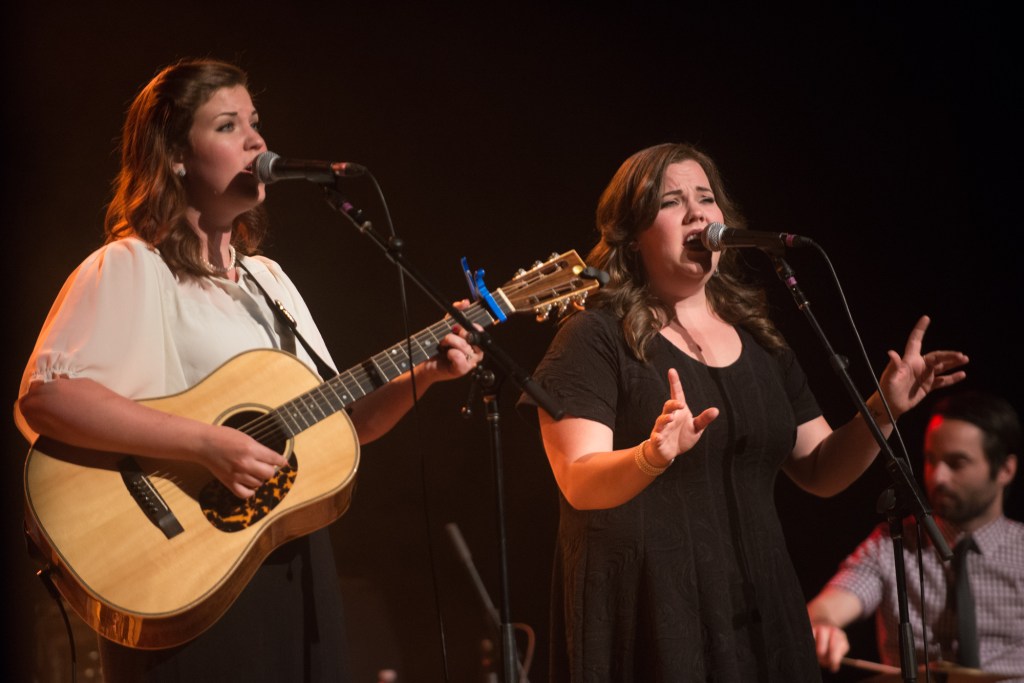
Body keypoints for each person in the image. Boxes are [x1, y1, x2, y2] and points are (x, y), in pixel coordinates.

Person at [14, 58, 481, 682]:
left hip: (285, 558)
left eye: (255, 124)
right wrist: (207, 442)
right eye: (229, 125)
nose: (258, 142)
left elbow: (340, 427)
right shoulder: (130, 266)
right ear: (176, 154)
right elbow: (46, 399)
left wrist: (423, 374)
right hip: (180, 567)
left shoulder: (270, 282)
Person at [516, 142, 969, 682]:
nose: (697, 213)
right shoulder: (593, 336)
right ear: (631, 235)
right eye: (671, 201)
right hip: (650, 615)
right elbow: (578, 479)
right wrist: (649, 456)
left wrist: (884, 407)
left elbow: (821, 469)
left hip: (757, 609)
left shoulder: (761, 343)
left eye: (706, 198)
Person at [807, 390, 1024, 680]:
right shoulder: (892, 541)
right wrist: (823, 626)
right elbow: (824, 611)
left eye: (957, 463)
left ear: (1005, 470)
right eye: (931, 460)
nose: (938, 477)